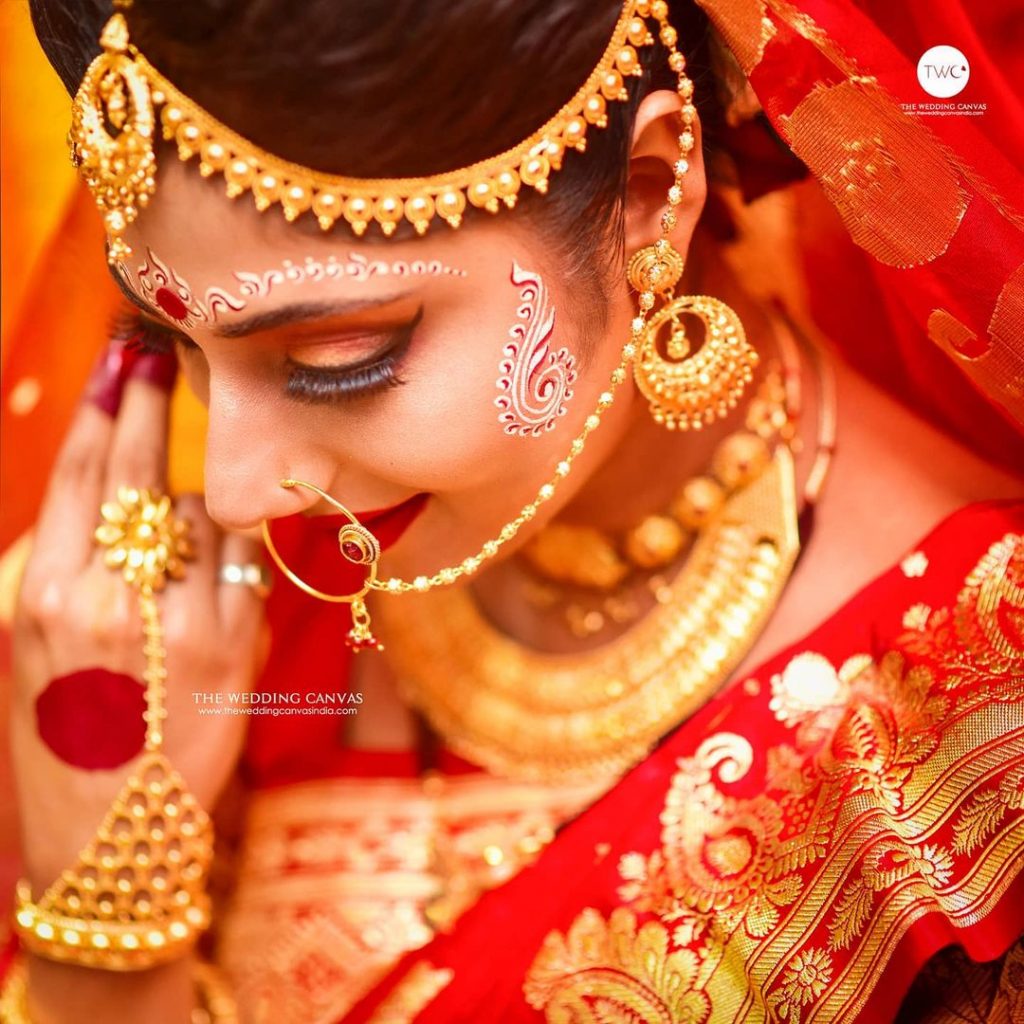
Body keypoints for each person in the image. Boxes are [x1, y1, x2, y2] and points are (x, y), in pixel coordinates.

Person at [2, 0, 1022, 1021]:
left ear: (648, 190)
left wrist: (111, 948)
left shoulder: (958, 730)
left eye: (334, 357)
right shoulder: (168, 629)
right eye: (169, 336)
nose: (233, 488)